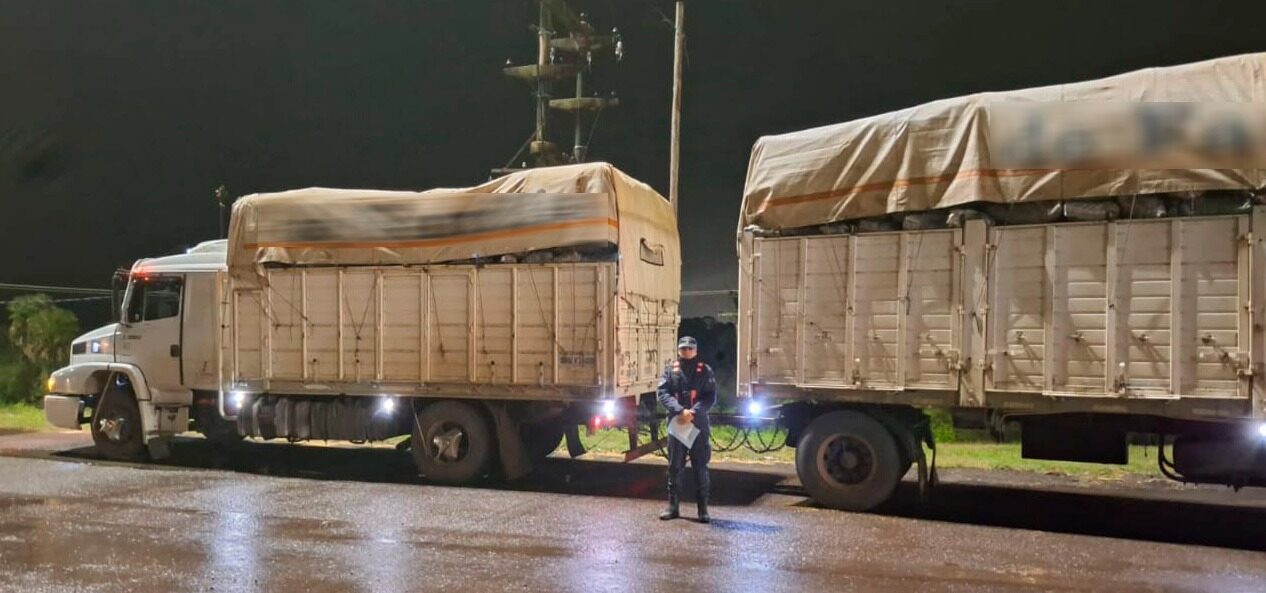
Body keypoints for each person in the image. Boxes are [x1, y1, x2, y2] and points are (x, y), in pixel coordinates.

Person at [657, 336, 716, 523]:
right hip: (678, 422)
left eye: (690, 348)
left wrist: (693, 412)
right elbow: (663, 394)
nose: (687, 351)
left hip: (698, 423)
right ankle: (672, 507)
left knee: (700, 466)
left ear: (695, 351)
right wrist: (680, 410)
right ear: (678, 350)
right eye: (683, 348)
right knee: (675, 467)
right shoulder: (670, 371)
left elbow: (710, 397)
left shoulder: (705, 371)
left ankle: (702, 510)